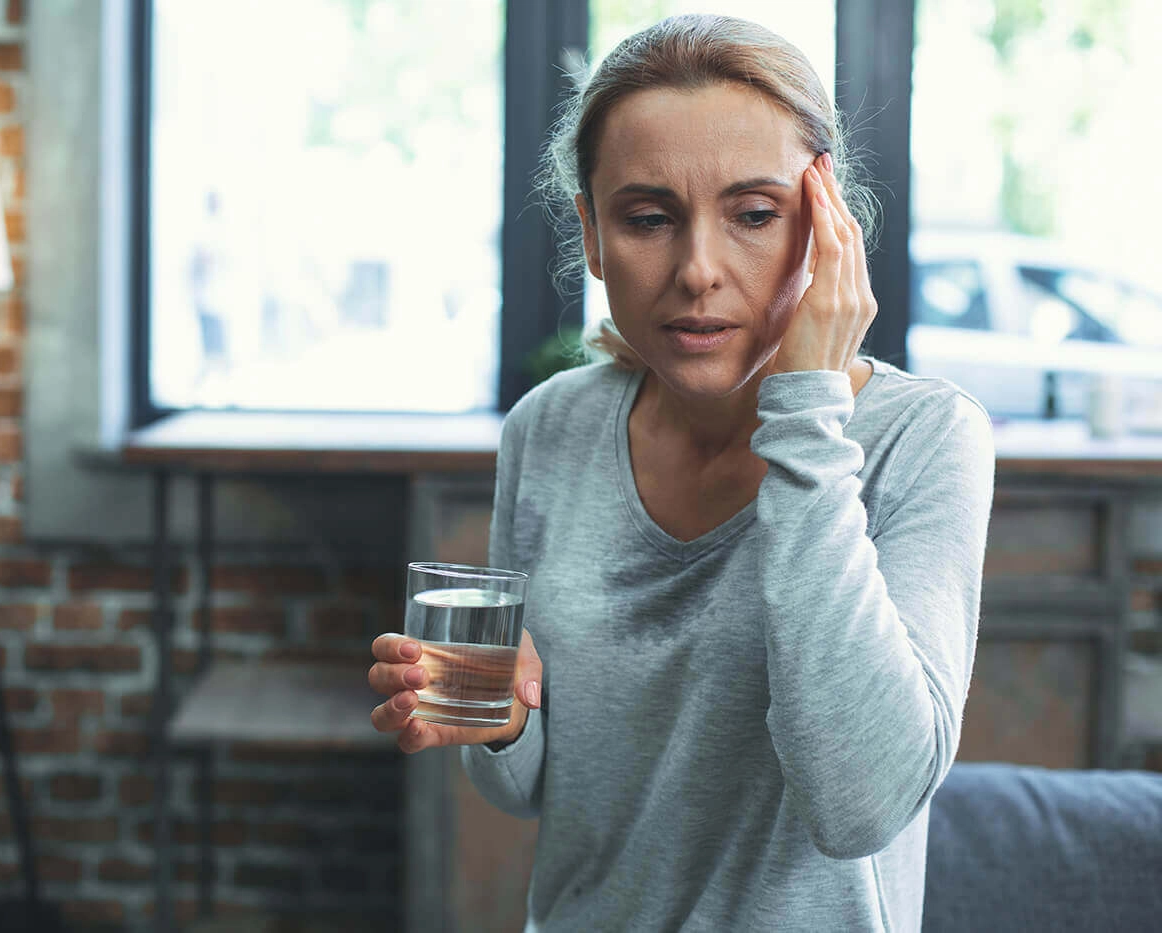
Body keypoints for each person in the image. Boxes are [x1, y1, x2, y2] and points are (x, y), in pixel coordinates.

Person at [368, 14, 994, 931]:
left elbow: (858, 803)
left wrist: (809, 406)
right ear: (591, 234)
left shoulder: (924, 438)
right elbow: (530, 785)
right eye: (649, 218)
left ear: (826, 232)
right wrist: (500, 715)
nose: (698, 270)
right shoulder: (549, 429)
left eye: (753, 214)